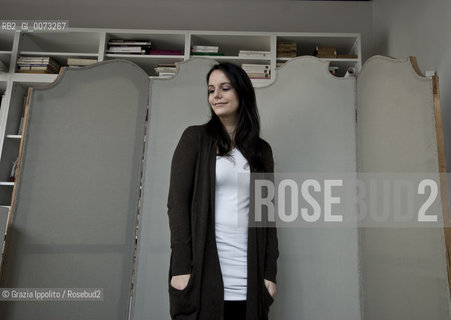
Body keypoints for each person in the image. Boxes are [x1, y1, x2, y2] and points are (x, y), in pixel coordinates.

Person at [167, 62, 279, 320]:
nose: (215, 95)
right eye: (210, 89)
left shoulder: (262, 151)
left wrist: (269, 274)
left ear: (242, 92)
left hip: (249, 277)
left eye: (224, 88)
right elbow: (177, 203)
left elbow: (267, 215)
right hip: (202, 274)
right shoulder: (194, 139)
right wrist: (182, 267)